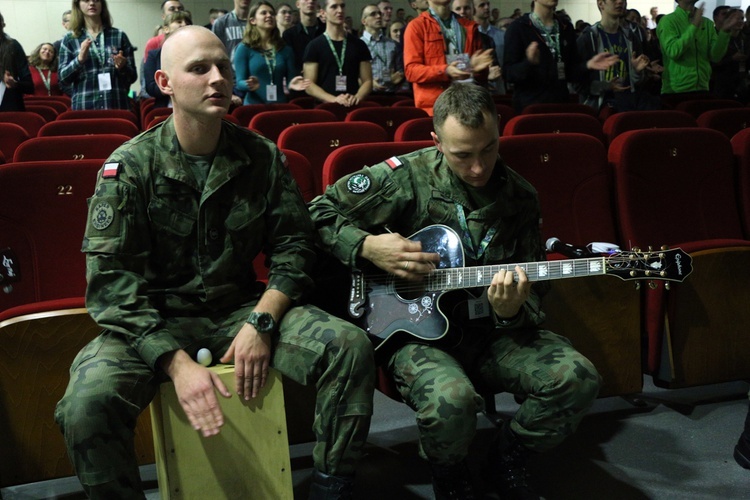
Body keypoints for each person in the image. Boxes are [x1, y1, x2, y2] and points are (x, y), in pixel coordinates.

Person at [54, 25, 375, 499]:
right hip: (153, 322)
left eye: (223, 67)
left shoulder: (260, 157)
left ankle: (332, 487)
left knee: (348, 346)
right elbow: (111, 285)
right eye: (199, 69)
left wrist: (262, 321)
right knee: (85, 405)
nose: (217, 79)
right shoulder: (130, 168)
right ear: (164, 83)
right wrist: (176, 363)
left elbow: (294, 248)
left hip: (238, 308)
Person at [309, 82, 600, 499]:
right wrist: (369, 246)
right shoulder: (405, 177)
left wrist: (512, 311)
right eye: (463, 154)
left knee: (577, 377)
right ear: (437, 143)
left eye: (489, 149)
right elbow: (317, 212)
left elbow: (537, 288)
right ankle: (449, 472)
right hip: (411, 328)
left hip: (491, 334)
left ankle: (508, 458)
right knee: (452, 400)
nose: (479, 167)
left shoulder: (520, 197)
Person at [502, 0, 618, 112]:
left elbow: (571, 73)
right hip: (530, 106)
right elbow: (508, 74)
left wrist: (588, 65)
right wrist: (529, 63)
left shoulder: (565, 27)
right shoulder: (519, 27)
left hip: (560, 103)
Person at [404, 0, 493, 115]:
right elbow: (411, 71)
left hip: (469, 102)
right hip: (437, 107)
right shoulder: (417, 26)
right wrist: (445, 70)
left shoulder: (469, 26)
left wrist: (476, 69)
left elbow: (481, 76)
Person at [576, 0, 658, 113]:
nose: (620, 2)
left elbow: (639, 82)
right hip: (600, 109)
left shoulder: (631, 37)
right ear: (601, 4)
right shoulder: (588, 38)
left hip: (629, 106)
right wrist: (605, 86)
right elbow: (577, 84)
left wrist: (636, 72)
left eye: (623, 0)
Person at [657, 0, 742, 106]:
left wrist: (724, 32)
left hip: (703, 88)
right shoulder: (668, 21)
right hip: (675, 92)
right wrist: (694, 25)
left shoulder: (707, 23)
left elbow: (715, 57)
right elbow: (673, 51)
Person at [58, 0, 136, 110]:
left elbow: (133, 77)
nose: (91, 3)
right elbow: (62, 79)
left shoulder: (119, 36)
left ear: (102, 4)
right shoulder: (70, 39)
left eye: (96, 0)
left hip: (116, 105)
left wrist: (123, 67)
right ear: (78, 5)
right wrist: (79, 60)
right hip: (84, 107)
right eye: (86, 0)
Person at [234, 1, 309, 104]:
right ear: (253, 20)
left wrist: (292, 84)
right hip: (254, 106)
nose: (269, 15)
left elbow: (290, 81)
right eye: (264, 13)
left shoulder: (285, 49)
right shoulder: (244, 48)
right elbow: (239, 83)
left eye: (272, 13)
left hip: (280, 105)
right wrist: (249, 84)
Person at [302, 0, 373, 107]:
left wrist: (357, 97)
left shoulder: (359, 44)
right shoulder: (314, 46)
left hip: (352, 105)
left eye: (342, 6)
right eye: (334, 7)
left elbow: (367, 81)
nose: (340, 10)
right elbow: (309, 85)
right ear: (323, 13)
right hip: (325, 107)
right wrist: (334, 99)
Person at [143, 10, 193, 109]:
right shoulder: (154, 55)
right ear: (166, 29)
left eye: (187, 22)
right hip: (164, 108)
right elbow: (151, 87)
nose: (184, 24)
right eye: (179, 21)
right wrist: (180, 88)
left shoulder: (197, 53)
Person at [361, 4, 403, 94]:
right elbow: (352, 73)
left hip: (391, 93)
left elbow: (401, 68)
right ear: (364, 21)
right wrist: (368, 82)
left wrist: (399, 75)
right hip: (368, 95)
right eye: (373, 14)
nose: (379, 16)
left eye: (379, 13)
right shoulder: (357, 44)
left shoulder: (392, 44)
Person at [711, 8, 749, 102]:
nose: (739, 21)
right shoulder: (719, 39)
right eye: (736, 19)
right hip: (721, 84)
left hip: (741, 84)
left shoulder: (744, 39)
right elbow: (712, 62)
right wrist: (732, 58)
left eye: (742, 18)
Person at [282, 0, 325, 78]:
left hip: (325, 81)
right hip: (300, 81)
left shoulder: (327, 31)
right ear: (298, 4)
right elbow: (289, 64)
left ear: (317, 4)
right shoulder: (289, 35)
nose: (311, 1)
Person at [1, 12, 33, 112]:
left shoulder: (13, 46)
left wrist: (15, 83)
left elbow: (29, 87)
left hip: (9, 107)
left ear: (2, 25)